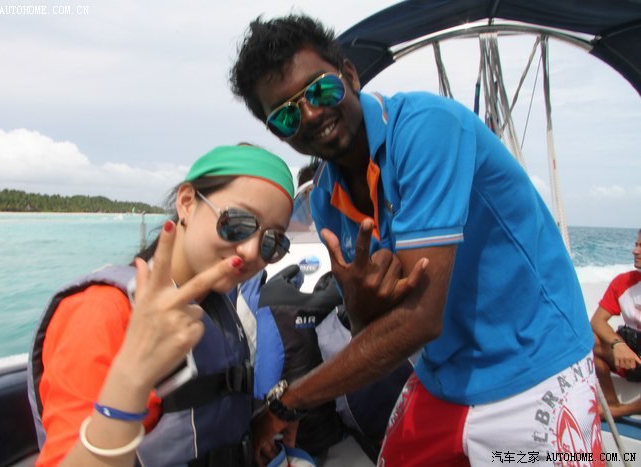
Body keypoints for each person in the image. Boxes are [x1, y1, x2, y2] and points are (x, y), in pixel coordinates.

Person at [230, 14, 602, 466]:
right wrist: (360, 308)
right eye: (287, 115)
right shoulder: (325, 198)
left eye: (320, 90)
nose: (310, 115)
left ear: (350, 76)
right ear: (278, 132)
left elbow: (420, 320)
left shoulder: (428, 129)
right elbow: (372, 334)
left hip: (533, 365)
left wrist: (287, 403)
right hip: (441, 375)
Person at [27, 144, 296, 466]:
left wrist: (265, 420)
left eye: (272, 241)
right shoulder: (100, 311)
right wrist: (132, 377)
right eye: (238, 222)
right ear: (187, 203)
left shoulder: (216, 308)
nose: (251, 251)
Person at [591, 229, 641, 418]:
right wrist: (618, 344)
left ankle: (618, 411)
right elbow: (597, 321)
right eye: (636, 245)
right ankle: (611, 402)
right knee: (587, 339)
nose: (635, 251)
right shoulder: (623, 283)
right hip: (630, 354)